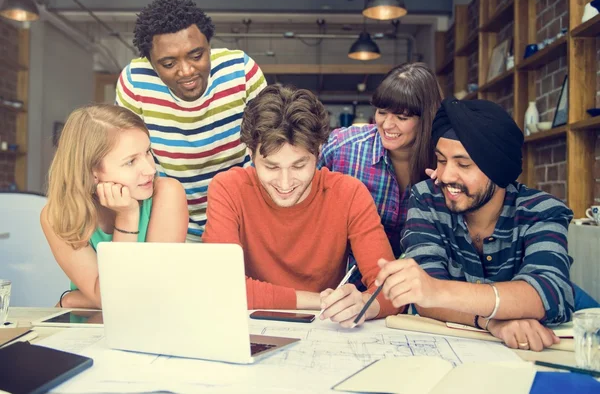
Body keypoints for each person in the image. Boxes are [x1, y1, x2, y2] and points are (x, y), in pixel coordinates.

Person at [375, 97, 574, 352]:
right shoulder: (427, 199)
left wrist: (436, 290)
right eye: (441, 160)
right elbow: (424, 299)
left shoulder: (541, 211)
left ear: (497, 168)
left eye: (463, 164)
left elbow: (549, 291)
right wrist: (491, 321)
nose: (445, 176)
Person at [203, 85, 401, 327]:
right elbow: (221, 285)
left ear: (318, 152)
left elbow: (391, 290)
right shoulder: (228, 188)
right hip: (248, 328)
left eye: (299, 166)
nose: (285, 183)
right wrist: (319, 300)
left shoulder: (349, 194)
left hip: (325, 330)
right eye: (271, 167)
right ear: (250, 154)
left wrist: (364, 304)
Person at [116, 0, 266, 241]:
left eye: (196, 56)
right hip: (168, 218)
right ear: (151, 63)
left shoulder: (241, 70)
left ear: (209, 46)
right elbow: (127, 156)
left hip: (242, 213)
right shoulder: (134, 82)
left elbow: (267, 147)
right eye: (168, 63)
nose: (186, 71)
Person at [41, 104, 188, 309]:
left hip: (148, 327)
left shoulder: (167, 193)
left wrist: (72, 301)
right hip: (84, 332)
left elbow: (152, 294)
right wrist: (127, 217)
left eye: (147, 152)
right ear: (92, 172)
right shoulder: (58, 215)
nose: (150, 169)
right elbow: (112, 298)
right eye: (130, 162)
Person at [318, 62, 442, 289]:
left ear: (426, 118)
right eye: (382, 112)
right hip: (348, 290)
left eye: (402, 117)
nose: (387, 124)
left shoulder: (444, 160)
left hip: (422, 294)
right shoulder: (343, 147)